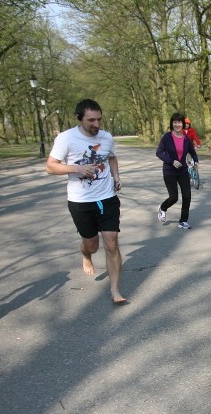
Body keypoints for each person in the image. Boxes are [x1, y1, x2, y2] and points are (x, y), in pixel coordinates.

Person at [46, 99, 126, 304]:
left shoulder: (106, 137)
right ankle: (87, 255)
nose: (96, 124)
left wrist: (116, 177)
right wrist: (77, 168)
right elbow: (51, 167)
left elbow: (112, 158)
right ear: (79, 118)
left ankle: (115, 290)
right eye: (91, 120)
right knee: (92, 245)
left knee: (111, 243)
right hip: (81, 202)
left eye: (99, 119)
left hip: (107, 198)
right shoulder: (66, 138)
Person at [156, 112, 198, 229]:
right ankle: (162, 208)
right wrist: (171, 161)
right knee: (174, 197)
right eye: (175, 122)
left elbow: (192, 152)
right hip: (169, 171)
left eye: (179, 122)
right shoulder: (167, 137)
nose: (177, 124)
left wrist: (196, 162)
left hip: (183, 170)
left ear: (183, 124)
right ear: (172, 124)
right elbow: (159, 152)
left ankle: (183, 221)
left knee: (187, 196)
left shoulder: (186, 139)